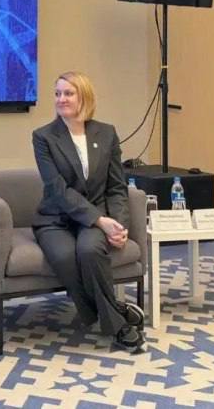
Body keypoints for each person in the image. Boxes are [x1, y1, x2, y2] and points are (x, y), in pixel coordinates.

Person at [32, 71, 146, 351]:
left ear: (84, 97)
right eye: (57, 93)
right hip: (56, 218)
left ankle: (111, 317)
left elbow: (117, 186)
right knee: (64, 257)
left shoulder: (106, 134)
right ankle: (117, 319)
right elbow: (57, 189)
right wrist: (99, 220)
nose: (61, 99)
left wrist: (118, 224)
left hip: (97, 217)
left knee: (89, 251)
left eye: (68, 93)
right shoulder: (44, 137)